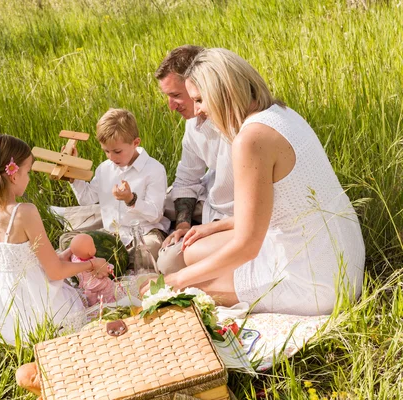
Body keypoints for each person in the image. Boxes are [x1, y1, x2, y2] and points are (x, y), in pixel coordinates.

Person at [144, 48, 365, 316]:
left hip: (317, 284)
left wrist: (177, 282)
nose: (199, 111)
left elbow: (248, 246)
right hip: (344, 261)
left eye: (200, 100)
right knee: (189, 255)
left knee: (190, 289)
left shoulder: (251, 139)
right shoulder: (282, 113)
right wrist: (215, 228)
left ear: (223, 92)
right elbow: (280, 209)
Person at [0, 134, 110, 345]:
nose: (29, 178)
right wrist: (91, 264)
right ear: (14, 176)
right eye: (27, 172)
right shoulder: (24, 212)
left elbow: (21, 264)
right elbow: (55, 272)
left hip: (8, 314)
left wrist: (67, 254)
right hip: (41, 308)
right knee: (96, 305)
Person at [154, 45, 235, 274]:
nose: (171, 106)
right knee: (155, 199)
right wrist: (183, 224)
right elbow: (187, 179)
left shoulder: (240, 126)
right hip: (210, 205)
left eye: (176, 96)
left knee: (170, 263)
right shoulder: (193, 125)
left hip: (235, 221)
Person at [61, 108, 170, 262]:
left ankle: (109, 262)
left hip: (145, 232)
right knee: (69, 242)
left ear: (135, 142)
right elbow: (87, 200)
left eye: (117, 151)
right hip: (112, 235)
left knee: (148, 250)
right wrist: (74, 177)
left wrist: (131, 200)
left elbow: (155, 215)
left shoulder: (154, 169)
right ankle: (113, 261)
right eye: (106, 151)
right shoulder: (104, 168)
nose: (111, 157)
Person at [70, 234, 122, 306]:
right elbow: (103, 268)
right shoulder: (90, 264)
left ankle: (93, 305)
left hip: (87, 285)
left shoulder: (75, 259)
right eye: (93, 246)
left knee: (91, 296)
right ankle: (110, 302)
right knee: (108, 284)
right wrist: (109, 267)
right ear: (90, 252)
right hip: (96, 283)